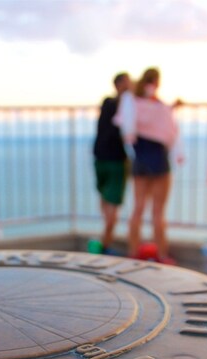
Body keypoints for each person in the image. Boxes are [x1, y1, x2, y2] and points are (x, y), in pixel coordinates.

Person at [114, 67, 183, 263]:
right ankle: (162, 254)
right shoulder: (159, 106)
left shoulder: (132, 104)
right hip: (159, 160)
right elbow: (168, 129)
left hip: (140, 160)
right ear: (157, 82)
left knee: (138, 208)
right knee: (158, 212)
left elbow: (127, 127)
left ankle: (133, 251)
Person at [92, 72, 132, 254]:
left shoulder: (107, 103)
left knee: (105, 200)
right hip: (115, 159)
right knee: (112, 204)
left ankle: (104, 240)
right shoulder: (126, 104)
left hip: (100, 156)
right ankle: (105, 246)